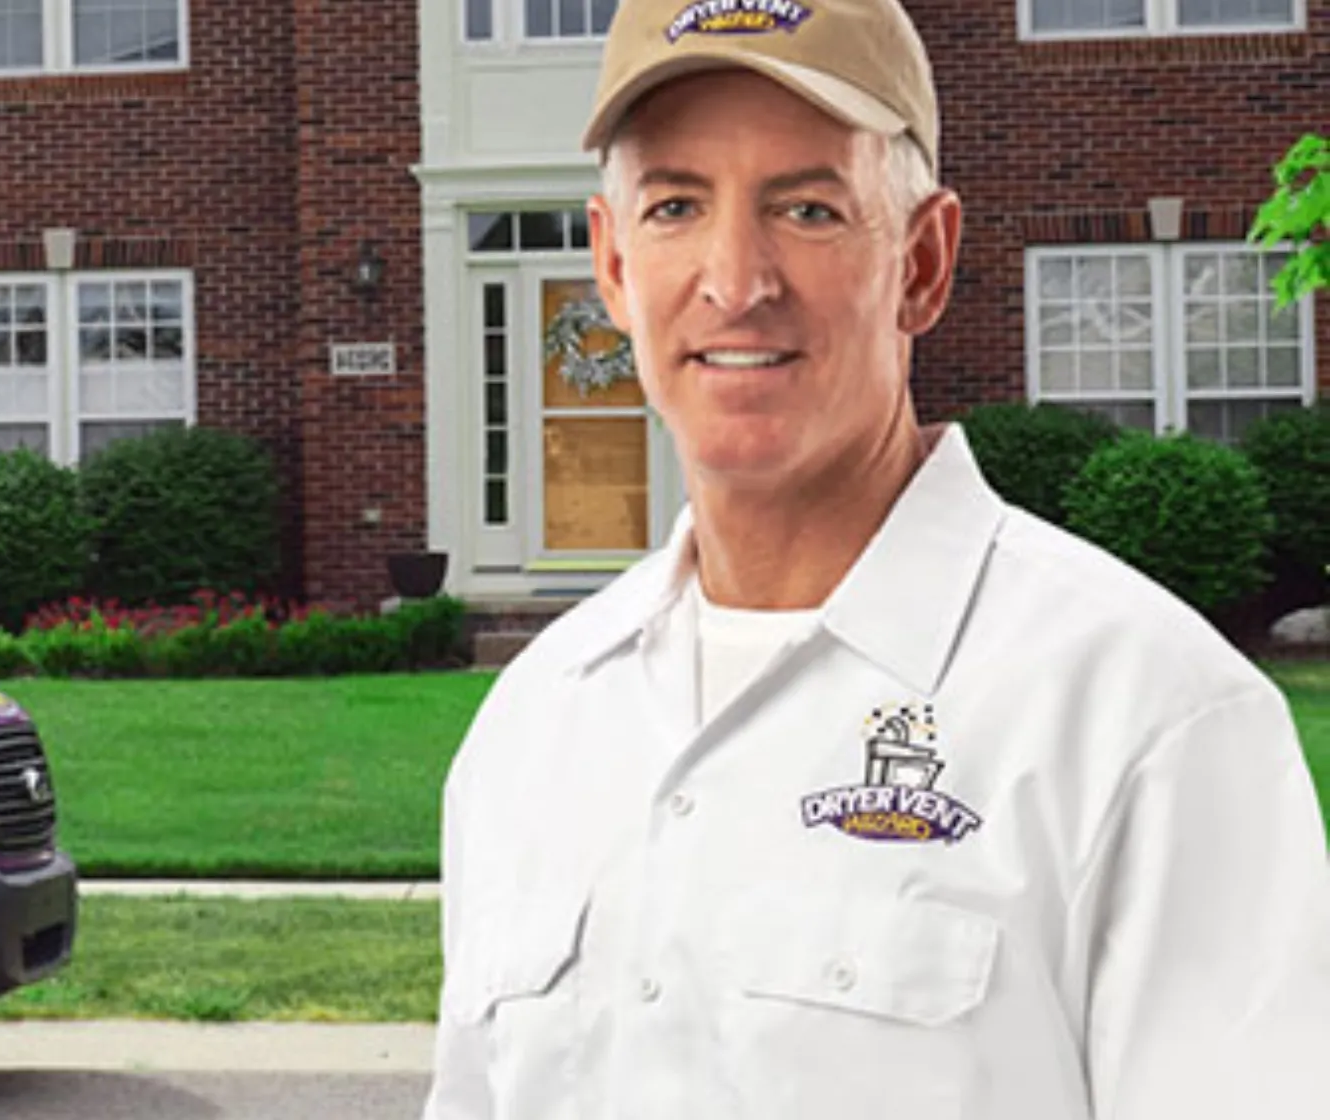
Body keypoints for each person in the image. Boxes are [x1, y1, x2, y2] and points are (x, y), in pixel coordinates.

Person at [423, 2, 1330, 1117]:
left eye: (807, 207)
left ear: (924, 261)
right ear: (612, 267)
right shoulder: (533, 729)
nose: (735, 279)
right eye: (674, 206)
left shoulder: (1148, 719)